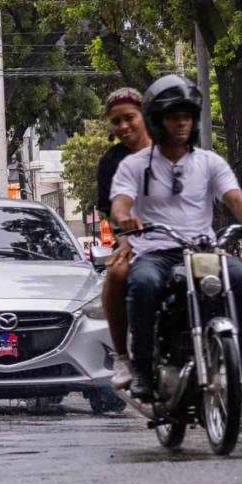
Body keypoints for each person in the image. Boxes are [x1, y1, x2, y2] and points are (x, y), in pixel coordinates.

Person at [108, 74, 242, 402]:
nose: (182, 123)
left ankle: (239, 367)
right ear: (158, 121)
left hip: (202, 251)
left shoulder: (209, 162)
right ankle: (141, 368)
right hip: (155, 253)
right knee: (141, 285)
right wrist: (124, 217)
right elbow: (120, 203)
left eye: (187, 116)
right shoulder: (134, 165)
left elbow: (234, 198)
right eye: (174, 117)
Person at [95, 87, 152, 390]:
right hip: (136, 242)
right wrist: (125, 241)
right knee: (117, 273)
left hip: (181, 239)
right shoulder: (110, 163)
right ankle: (123, 356)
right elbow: (111, 211)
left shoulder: (172, 150)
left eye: (130, 118)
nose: (124, 127)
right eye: (116, 122)